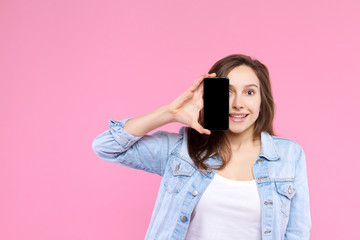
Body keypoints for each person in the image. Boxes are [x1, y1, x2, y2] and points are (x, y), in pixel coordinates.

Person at [92, 54, 312, 240]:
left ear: (262, 101)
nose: (238, 104)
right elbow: (107, 146)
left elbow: (296, 232)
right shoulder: (181, 150)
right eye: (227, 92)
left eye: (250, 92)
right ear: (210, 97)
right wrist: (170, 112)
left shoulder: (288, 156)